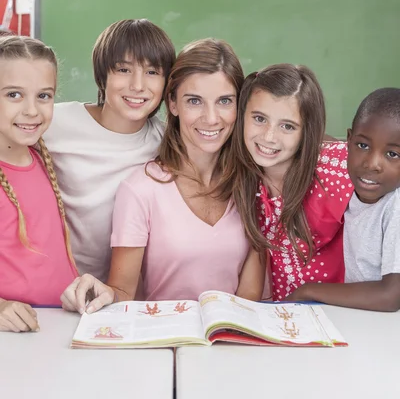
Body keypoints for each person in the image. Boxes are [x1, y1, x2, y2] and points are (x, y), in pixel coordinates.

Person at [61, 39, 265, 314]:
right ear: (172, 104)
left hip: (228, 342)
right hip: (159, 343)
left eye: (225, 101)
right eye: (194, 101)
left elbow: (248, 297)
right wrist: (105, 294)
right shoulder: (140, 189)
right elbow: (122, 291)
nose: (211, 118)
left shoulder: (251, 183)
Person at [44, 19, 175, 281]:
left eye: (152, 72)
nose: (137, 85)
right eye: (124, 70)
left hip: (120, 295)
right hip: (54, 286)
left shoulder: (166, 142)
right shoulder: (54, 122)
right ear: (102, 75)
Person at [231, 64, 353, 301]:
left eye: (287, 126)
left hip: (349, 315)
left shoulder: (340, 170)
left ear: (306, 131)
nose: (268, 137)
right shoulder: (241, 176)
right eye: (259, 118)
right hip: (284, 319)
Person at [286, 88, 400, 311]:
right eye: (363, 146)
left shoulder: (395, 206)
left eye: (392, 154)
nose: (371, 164)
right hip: (364, 321)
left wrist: (309, 290)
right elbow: (322, 142)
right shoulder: (354, 188)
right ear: (348, 141)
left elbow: (391, 296)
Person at [0, 36, 77, 332]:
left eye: (44, 96)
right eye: (14, 95)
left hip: (58, 328)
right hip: (16, 338)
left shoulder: (41, 160)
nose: (32, 110)